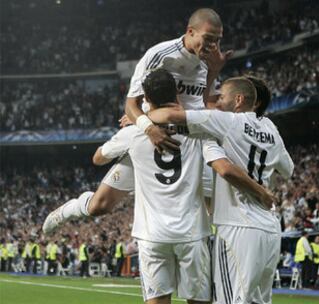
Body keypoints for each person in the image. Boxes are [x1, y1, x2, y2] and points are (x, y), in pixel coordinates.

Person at [42, 8, 231, 236]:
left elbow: (203, 104)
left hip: (191, 143)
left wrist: (214, 70)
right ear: (191, 32)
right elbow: (131, 105)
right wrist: (148, 127)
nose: (212, 46)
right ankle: (66, 211)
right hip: (151, 140)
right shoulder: (160, 55)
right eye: (208, 39)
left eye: (217, 41)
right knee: (101, 206)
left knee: (216, 207)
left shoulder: (209, 61)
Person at [92, 69, 275, 304]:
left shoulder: (133, 132)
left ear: (146, 98)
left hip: (152, 235)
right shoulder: (199, 129)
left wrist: (139, 122)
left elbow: (98, 158)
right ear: (178, 92)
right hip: (192, 233)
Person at [147, 76, 294, 304]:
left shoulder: (225, 123)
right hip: (270, 229)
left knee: (228, 300)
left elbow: (166, 116)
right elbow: (288, 169)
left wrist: (141, 121)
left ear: (238, 100)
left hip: (238, 227)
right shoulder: (271, 128)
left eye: (222, 97)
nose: (217, 101)